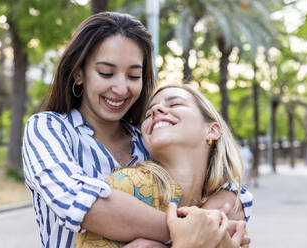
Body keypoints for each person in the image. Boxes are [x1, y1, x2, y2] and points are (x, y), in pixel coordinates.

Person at [22, 12, 253, 248]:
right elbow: (80, 202)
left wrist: (206, 229)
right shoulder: (50, 128)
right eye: (106, 73)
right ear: (79, 73)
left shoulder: (150, 140)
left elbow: (231, 189)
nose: (121, 89)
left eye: (134, 75)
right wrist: (193, 233)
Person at [75, 85, 251, 248]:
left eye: (175, 103)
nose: (155, 110)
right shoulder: (125, 186)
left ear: (212, 130)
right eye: (148, 114)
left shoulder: (229, 217)